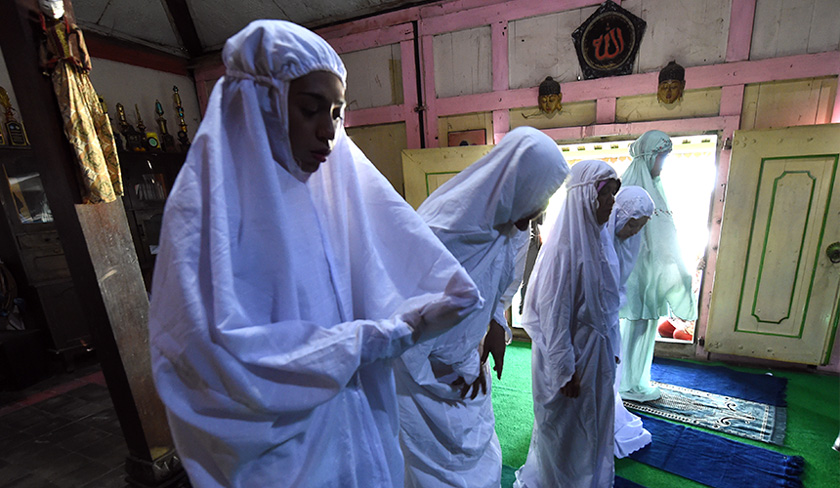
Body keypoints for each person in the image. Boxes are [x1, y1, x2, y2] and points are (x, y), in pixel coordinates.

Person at [147, 20, 482, 488]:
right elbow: (216, 357)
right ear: (260, 103)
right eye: (310, 109)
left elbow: (395, 255)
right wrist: (366, 341)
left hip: (358, 427)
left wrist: (424, 308)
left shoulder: (331, 185)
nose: (328, 131)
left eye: (338, 112)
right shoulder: (209, 210)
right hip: (285, 454)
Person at [396, 126, 569, 488]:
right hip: (420, 373)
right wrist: (439, 371)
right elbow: (405, 317)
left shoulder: (514, 224)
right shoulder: (442, 231)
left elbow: (502, 285)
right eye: (540, 195)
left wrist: (493, 327)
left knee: (477, 454)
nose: (542, 209)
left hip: (465, 364)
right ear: (515, 182)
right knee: (431, 466)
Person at [514, 160, 620, 488]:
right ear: (587, 197)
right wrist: (564, 369)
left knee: (593, 425)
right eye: (607, 196)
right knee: (566, 431)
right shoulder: (563, 250)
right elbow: (553, 316)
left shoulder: (599, 243)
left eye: (614, 196)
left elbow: (607, 306)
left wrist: (611, 347)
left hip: (594, 354)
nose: (612, 204)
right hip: (571, 358)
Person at [619, 130, 698, 402]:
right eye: (661, 157)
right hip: (632, 275)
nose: (662, 163)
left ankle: (633, 379)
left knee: (641, 329)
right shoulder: (630, 189)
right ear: (649, 156)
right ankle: (623, 382)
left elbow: (665, 240)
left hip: (648, 275)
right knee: (627, 329)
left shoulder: (654, 189)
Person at [602, 186, 656, 457]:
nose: (635, 232)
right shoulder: (597, 239)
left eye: (640, 226)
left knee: (610, 368)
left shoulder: (628, 240)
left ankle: (604, 412)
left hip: (608, 314)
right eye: (633, 224)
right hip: (589, 317)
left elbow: (618, 281)